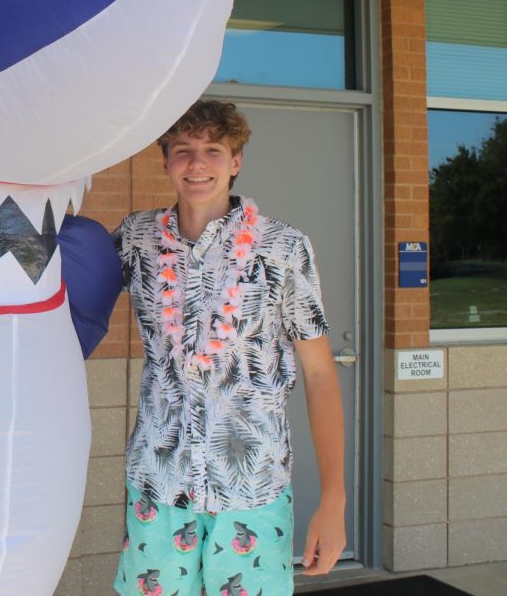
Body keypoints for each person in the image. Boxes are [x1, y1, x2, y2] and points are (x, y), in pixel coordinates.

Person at [113, 100, 345, 596]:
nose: (197, 164)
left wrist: (334, 499)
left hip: (252, 491)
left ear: (236, 161)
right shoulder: (135, 240)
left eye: (213, 150)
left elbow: (321, 375)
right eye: (183, 150)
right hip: (158, 487)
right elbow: (65, 284)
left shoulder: (283, 248)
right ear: (166, 160)